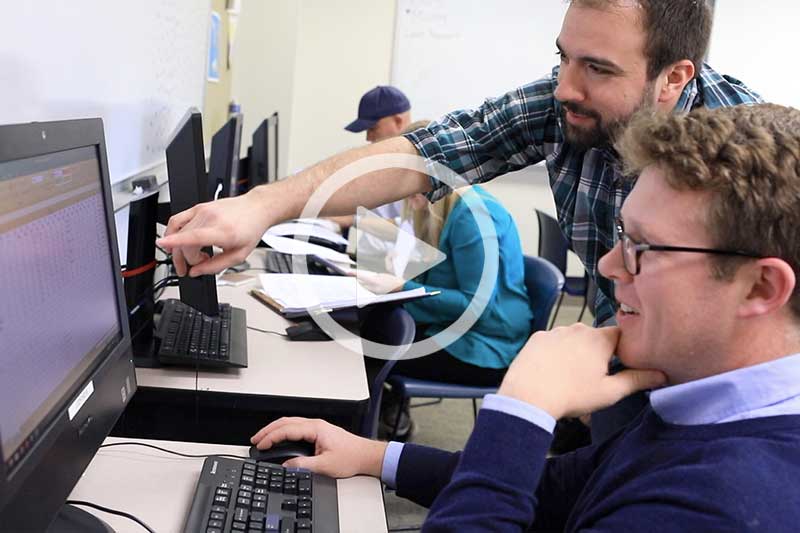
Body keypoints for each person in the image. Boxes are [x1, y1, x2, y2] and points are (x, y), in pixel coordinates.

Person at [158, 0, 763, 440]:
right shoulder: (566, 106)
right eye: (563, 58)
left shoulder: (747, 159)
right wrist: (258, 206)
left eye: (597, 68)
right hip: (622, 375)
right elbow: (433, 151)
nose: (564, 88)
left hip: (725, 413)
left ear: (674, 78)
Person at [250, 104, 800, 531]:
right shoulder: (703, 411)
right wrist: (374, 455)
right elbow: (557, 488)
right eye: (620, 236)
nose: (608, 265)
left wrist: (523, 409)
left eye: (644, 247)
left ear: (761, 286)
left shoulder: (723, 504)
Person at [359, 185, 532, 438]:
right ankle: (386, 418)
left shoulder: (473, 216)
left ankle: (372, 433)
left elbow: (477, 307)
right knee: (366, 326)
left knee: (366, 347)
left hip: (486, 346)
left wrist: (402, 285)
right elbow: (446, 276)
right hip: (454, 327)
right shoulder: (444, 209)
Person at [330, 86, 413, 231]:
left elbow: (412, 229)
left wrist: (352, 220)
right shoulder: (385, 161)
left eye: (373, 128)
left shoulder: (423, 166)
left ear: (398, 122)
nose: (368, 137)